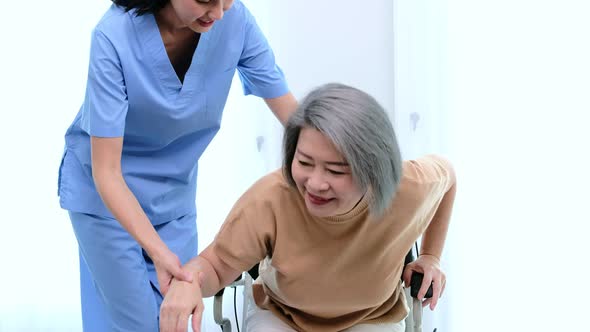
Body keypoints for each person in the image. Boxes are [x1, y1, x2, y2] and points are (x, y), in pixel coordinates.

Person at [57, 0, 297, 331]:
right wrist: (158, 252)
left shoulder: (234, 20)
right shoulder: (114, 36)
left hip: (173, 197)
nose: (218, 12)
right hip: (106, 200)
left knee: (175, 319)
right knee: (139, 323)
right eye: (205, 0)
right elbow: (107, 173)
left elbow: (293, 116)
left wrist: (342, 159)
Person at [159, 83, 457, 332]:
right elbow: (216, 264)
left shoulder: (408, 187)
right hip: (283, 316)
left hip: (371, 316)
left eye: (336, 170)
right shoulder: (271, 197)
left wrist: (430, 257)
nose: (314, 183)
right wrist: (190, 282)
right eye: (303, 162)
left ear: (374, 170)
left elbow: (448, 177)